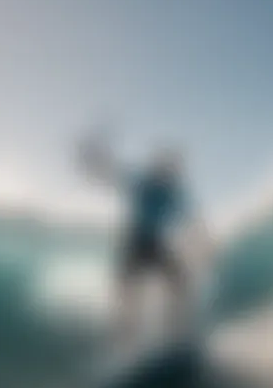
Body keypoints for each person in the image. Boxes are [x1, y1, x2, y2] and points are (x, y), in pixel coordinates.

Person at [78, 133, 208, 348]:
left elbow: (191, 219)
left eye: (175, 167)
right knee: (129, 291)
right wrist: (94, 155)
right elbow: (111, 171)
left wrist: (202, 240)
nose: (171, 171)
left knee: (180, 282)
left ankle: (174, 332)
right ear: (160, 165)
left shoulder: (175, 192)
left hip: (156, 244)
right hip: (135, 241)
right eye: (168, 166)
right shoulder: (142, 180)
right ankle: (124, 340)